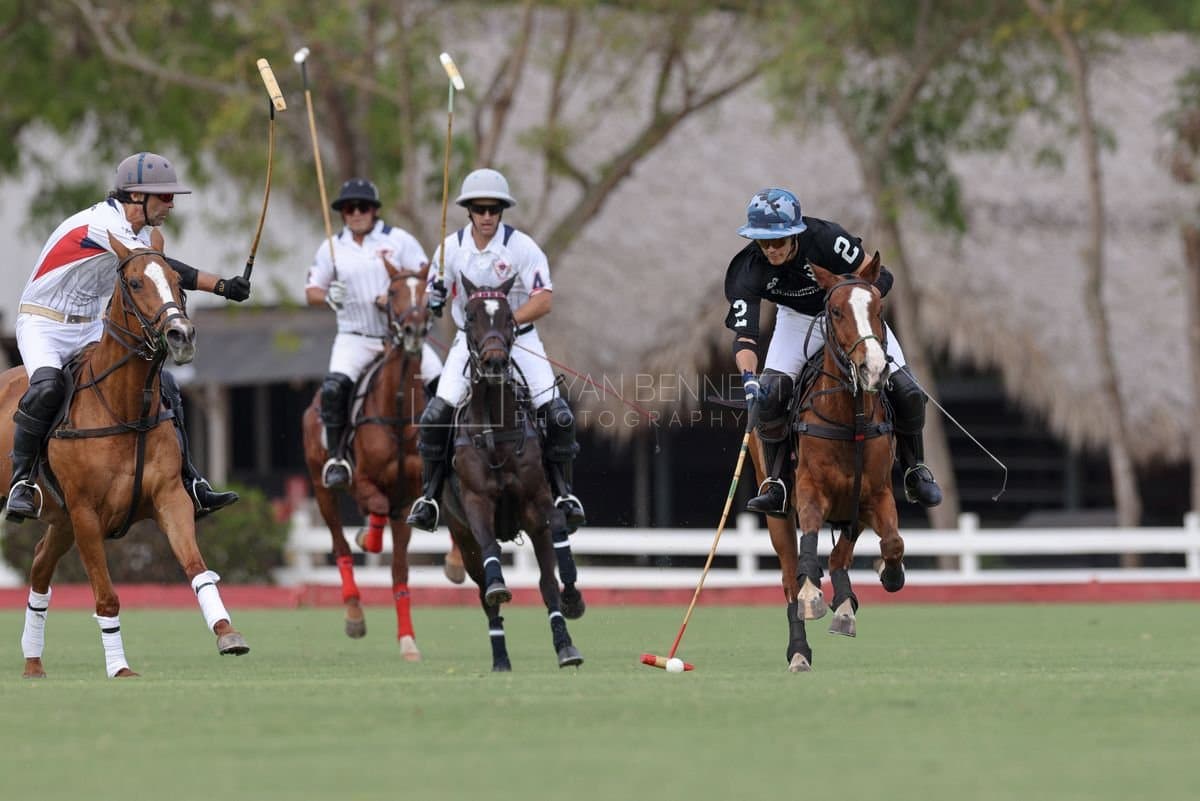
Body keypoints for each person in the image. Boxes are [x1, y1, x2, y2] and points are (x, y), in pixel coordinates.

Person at [5, 151, 248, 522]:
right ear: (136, 196)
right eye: (164, 196)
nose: (170, 205)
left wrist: (224, 286)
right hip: (44, 323)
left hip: (90, 324)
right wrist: (221, 285)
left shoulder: (138, 232)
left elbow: (154, 271)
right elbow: (162, 268)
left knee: (165, 382)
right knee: (48, 387)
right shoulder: (103, 223)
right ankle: (22, 482)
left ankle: (191, 480)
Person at [724, 187, 942, 516]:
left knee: (908, 391)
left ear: (795, 234)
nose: (771, 250)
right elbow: (745, 338)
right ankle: (778, 484)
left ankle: (916, 470)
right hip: (796, 321)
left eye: (778, 241)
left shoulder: (826, 239)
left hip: (850, 314)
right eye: (763, 242)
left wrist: (854, 303)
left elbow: (881, 275)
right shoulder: (747, 268)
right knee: (769, 396)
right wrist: (749, 378)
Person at [406, 168, 585, 533]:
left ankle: (563, 494)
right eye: (479, 209)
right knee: (435, 415)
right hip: (467, 344)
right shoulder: (450, 250)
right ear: (468, 211)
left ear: (502, 211)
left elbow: (544, 300)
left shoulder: (522, 247)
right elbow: (432, 298)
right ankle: (429, 498)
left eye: (494, 209)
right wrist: (434, 298)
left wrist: (502, 327)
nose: (487, 216)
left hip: (520, 340)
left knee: (559, 416)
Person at [304, 178, 443, 488]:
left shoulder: (399, 240)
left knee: (442, 383)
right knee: (334, 389)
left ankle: (447, 451)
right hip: (354, 338)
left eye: (363, 207)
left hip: (401, 339)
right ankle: (338, 459)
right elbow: (311, 291)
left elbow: (428, 279)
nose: (356, 213)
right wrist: (329, 296)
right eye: (349, 208)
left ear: (374, 210)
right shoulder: (332, 247)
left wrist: (400, 299)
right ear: (342, 213)